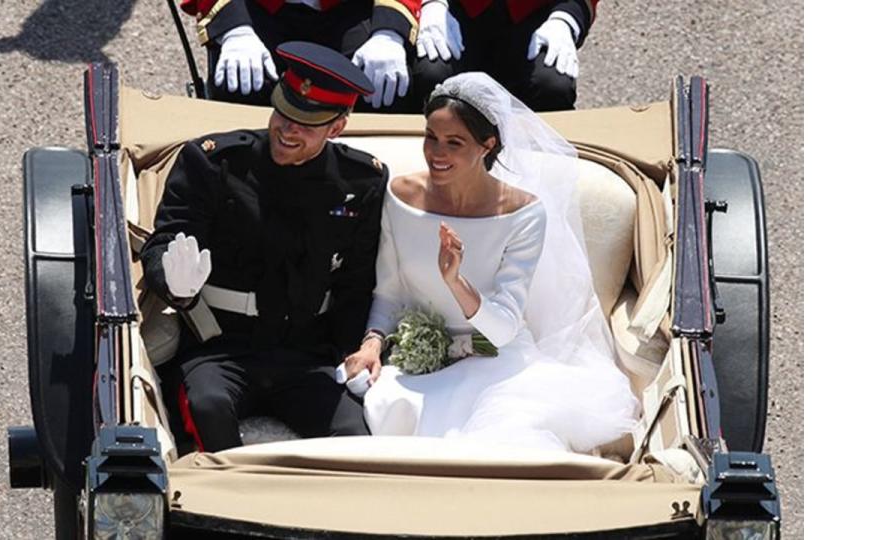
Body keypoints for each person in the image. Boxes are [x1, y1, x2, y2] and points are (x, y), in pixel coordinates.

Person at [339, 72, 638, 452]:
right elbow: (389, 290)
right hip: (413, 363)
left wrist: (455, 282)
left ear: (487, 145)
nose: (436, 153)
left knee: (499, 440)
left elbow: (503, 330)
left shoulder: (525, 214)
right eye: (431, 137)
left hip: (495, 362)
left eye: (454, 143)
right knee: (384, 413)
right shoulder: (400, 195)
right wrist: (372, 343)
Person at [140, 42, 388, 452]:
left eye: (307, 123)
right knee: (207, 408)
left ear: (337, 128)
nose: (288, 130)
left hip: (308, 356)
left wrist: (358, 349)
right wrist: (173, 282)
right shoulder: (214, 163)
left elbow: (357, 282)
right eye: (284, 113)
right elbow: (166, 239)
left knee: (355, 441)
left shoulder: (360, 183)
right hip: (220, 347)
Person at [179, 0, 422, 110]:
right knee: (240, 86)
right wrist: (236, 30)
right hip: (263, 7)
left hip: (347, 9)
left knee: (381, 88)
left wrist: (389, 33)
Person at [411, 0, 598, 111]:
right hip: (456, 9)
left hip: (535, 13)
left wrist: (566, 17)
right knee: (431, 74)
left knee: (551, 85)